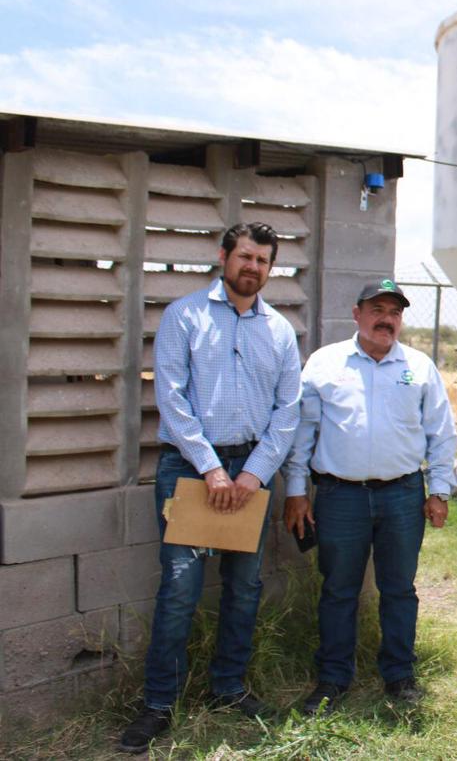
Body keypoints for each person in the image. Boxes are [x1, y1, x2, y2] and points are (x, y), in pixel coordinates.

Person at [119, 223, 301, 754]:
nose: (253, 267)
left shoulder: (281, 332)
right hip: (189, 469)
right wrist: (211, 469)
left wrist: (252, 474)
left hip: (250, 471)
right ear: (223, 256)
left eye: (264, 261)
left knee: (245, 587)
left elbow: (287, 413)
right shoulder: (185, 316)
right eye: (245, 256)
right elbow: (171, 398)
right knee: (180, 589)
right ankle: (158, 704)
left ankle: (228, 688)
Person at [282, 279, 456, 714]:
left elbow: (441, 432)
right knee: (339, 589)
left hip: (402, 496)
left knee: (399, 589)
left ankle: (400, 675)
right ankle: (333, 678)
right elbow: (303, 434)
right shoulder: (325, 364)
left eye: (394, 312)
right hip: (341, 498)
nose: (386, 319)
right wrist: (297, 490)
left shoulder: (418, 367)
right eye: (377, 309)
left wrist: (438, 490)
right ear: (356, 314)